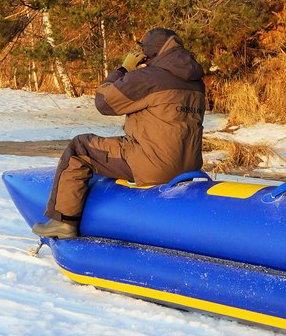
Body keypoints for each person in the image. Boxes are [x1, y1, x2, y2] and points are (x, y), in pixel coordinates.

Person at [32, 27, 207, 239]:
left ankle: (63, 221)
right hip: (189, 167)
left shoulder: (148, 77)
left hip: (152, 166)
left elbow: (104, 102)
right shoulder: (196, 82)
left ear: (148, 54)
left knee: (80, 147)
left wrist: (123, 69)